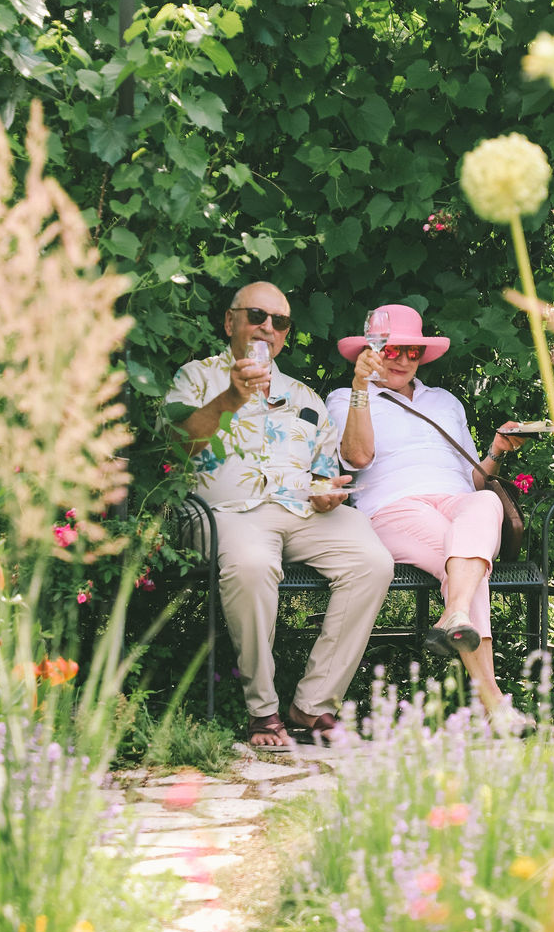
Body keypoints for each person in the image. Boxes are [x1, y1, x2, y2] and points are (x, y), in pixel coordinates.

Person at [165, 279, 394, 748]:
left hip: (300, 511)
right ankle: (263, 710)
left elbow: (325, 471)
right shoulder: (196, 377)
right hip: (225, 512)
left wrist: (329, 492)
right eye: (257, 316)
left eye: (280, 322)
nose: (268, 327)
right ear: (230, 322)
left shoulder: (306, 397)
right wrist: (231, 397)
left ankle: (313, 706)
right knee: (251, 562)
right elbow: (179, 444)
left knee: (372, 561)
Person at [325, 303, 524, 715]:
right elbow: (358, 457)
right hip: (396, 507)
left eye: (411, 351)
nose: (401, 360)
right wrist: (362, 387)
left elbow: (475, 479)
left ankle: (453, 615)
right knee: (470, 565)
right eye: (391, 350)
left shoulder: (445, 402)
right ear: (372, 352)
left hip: (458, 502)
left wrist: (496, 453)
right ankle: (493, 705)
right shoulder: (345, 397)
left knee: (485, 503)